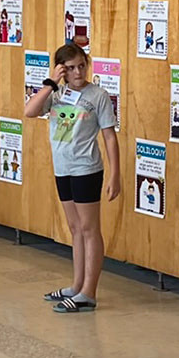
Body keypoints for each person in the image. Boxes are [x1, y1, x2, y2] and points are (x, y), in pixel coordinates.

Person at [24, 44, 120, 314]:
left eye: (81, 65)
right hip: (62, 168)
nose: (77, 72)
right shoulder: (56, 94)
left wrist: (115, 174)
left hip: (86, 168)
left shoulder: (98, 95)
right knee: (75, 228)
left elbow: (110, 137)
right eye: (70, 68)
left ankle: (89, 292)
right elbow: (30, 111)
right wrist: (51, 83)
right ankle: (77, 285)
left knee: (90, 229)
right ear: (61, 70)